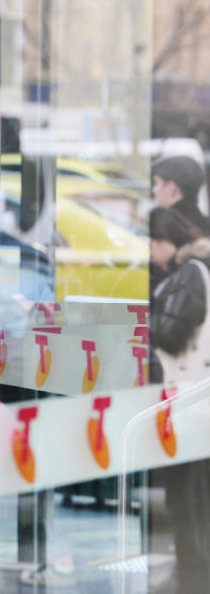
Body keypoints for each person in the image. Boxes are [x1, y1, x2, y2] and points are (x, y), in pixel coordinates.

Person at [149, 206, 210, 594]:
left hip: (189, 402)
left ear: (168, 243)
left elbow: (171, 334)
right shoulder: (193, 271)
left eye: (153, 242)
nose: (150, 251)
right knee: (191, 494)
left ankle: (192, 576)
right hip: (194, 402)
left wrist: (145, 323)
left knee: (186, 496)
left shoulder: (190, 274)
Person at [151, 155, 210, 237]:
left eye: (157, 183)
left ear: (172, 188)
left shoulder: (169, 231)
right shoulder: (205, 225)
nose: (154, 190)